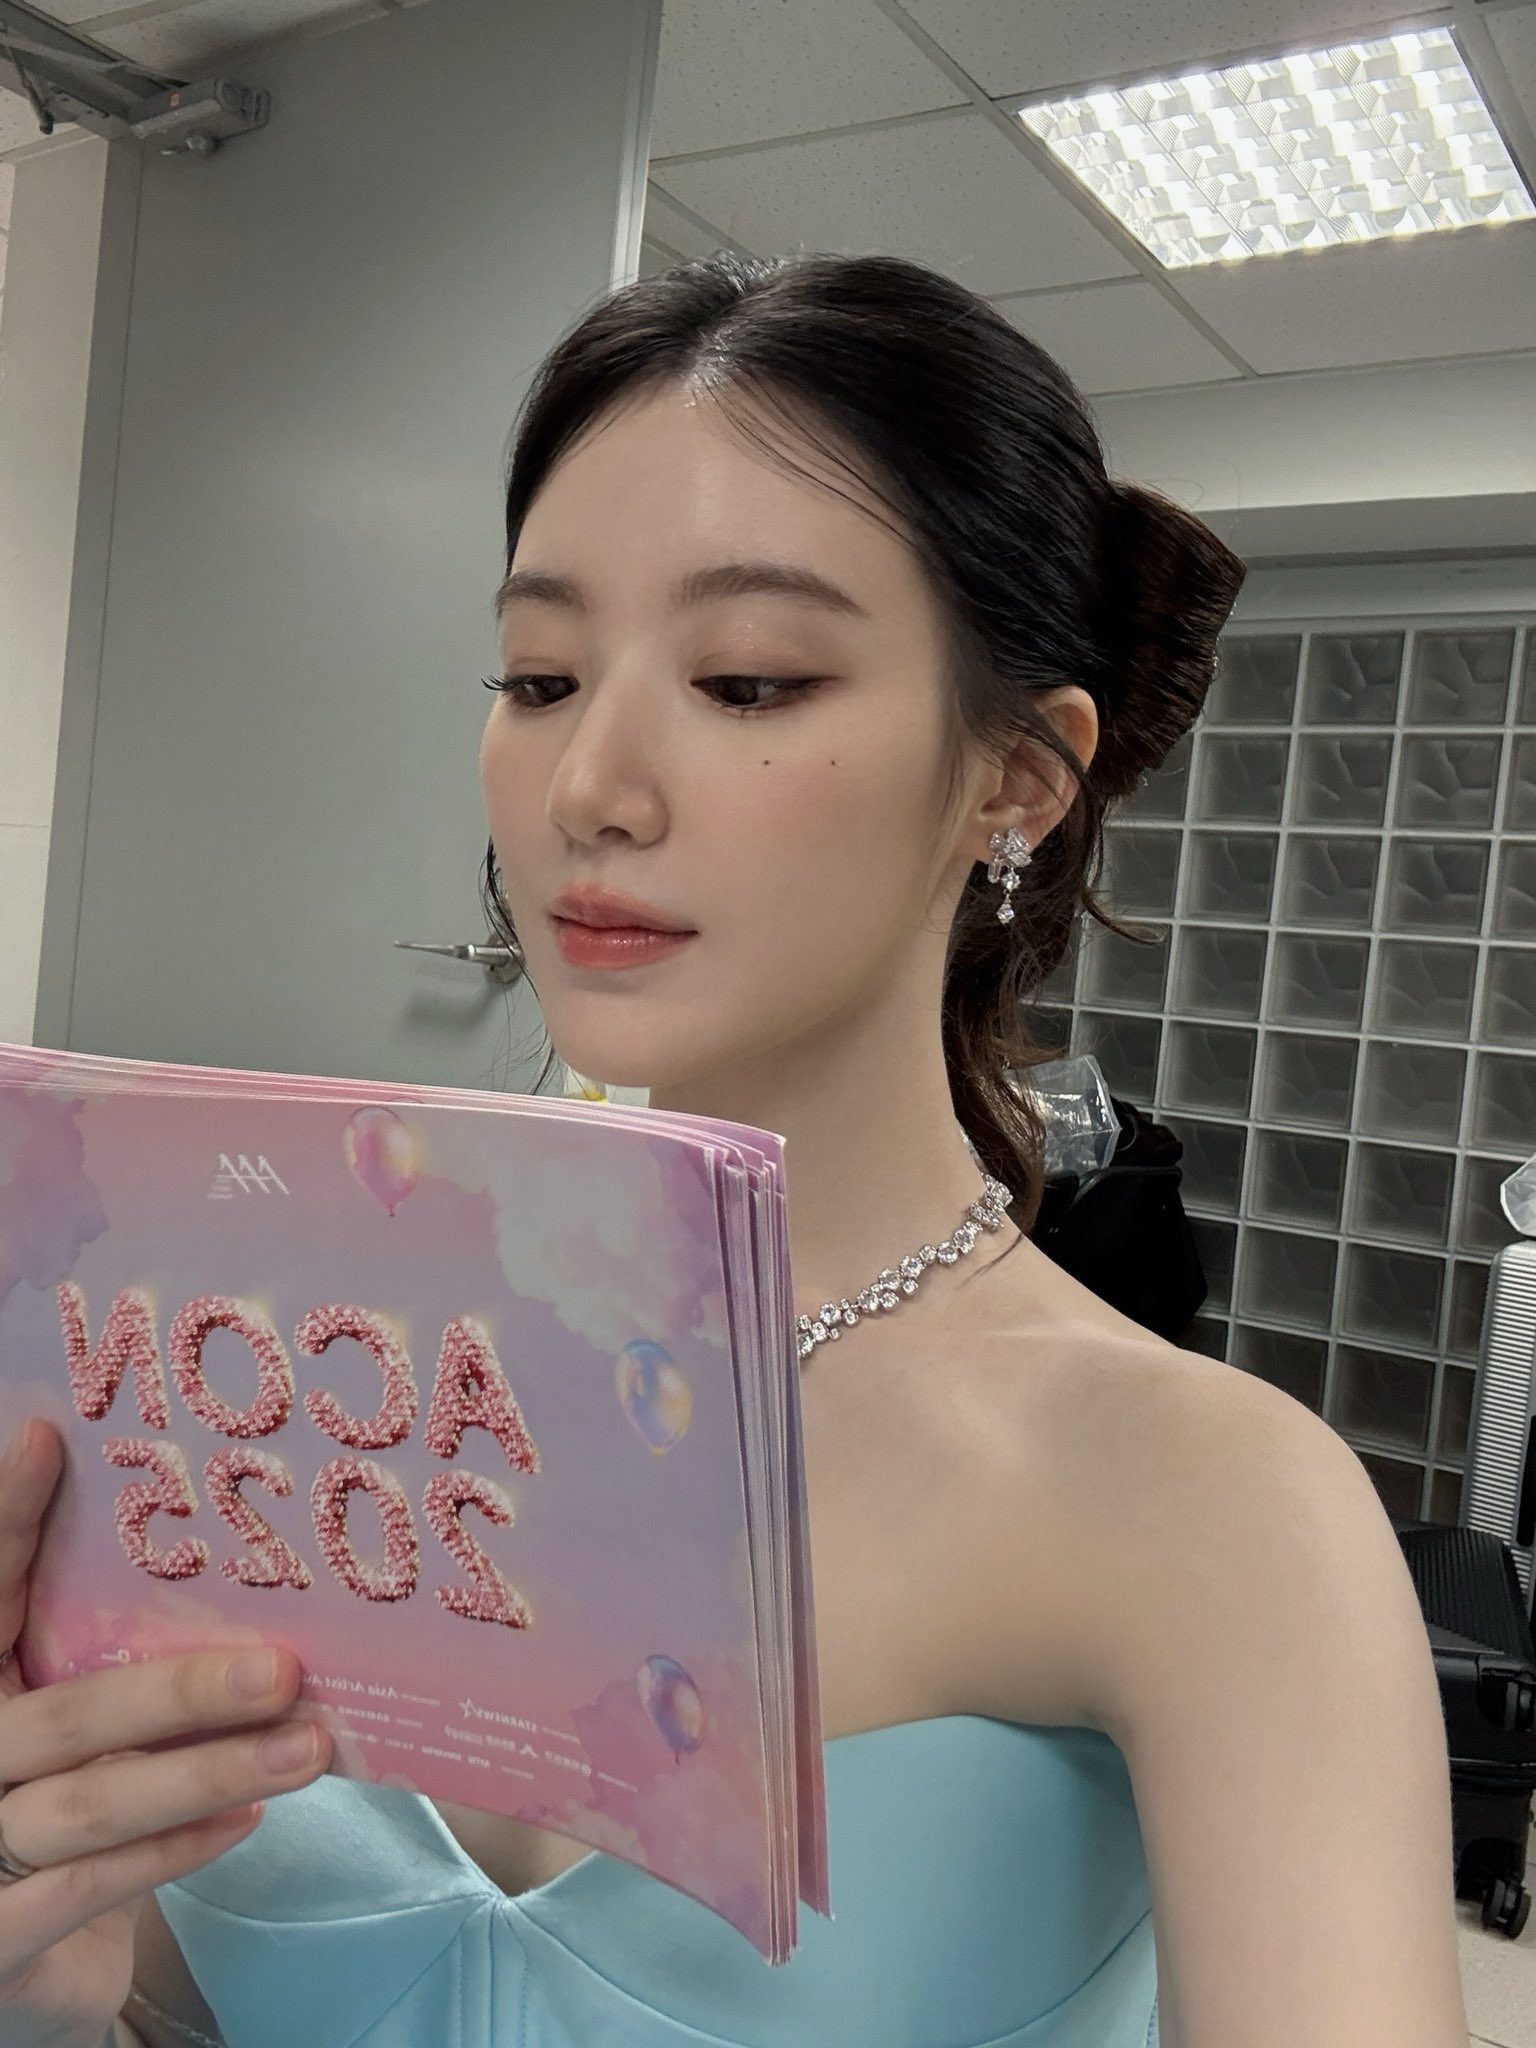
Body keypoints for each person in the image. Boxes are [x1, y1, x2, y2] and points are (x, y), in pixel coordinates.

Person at [0, 251, 1469, 2047]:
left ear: (1015, 778)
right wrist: (49, 1989)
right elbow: (156, 1993)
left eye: (751, 682)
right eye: (540, 675)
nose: (589, 789)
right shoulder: (272, 1373)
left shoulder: (1215, 1509)